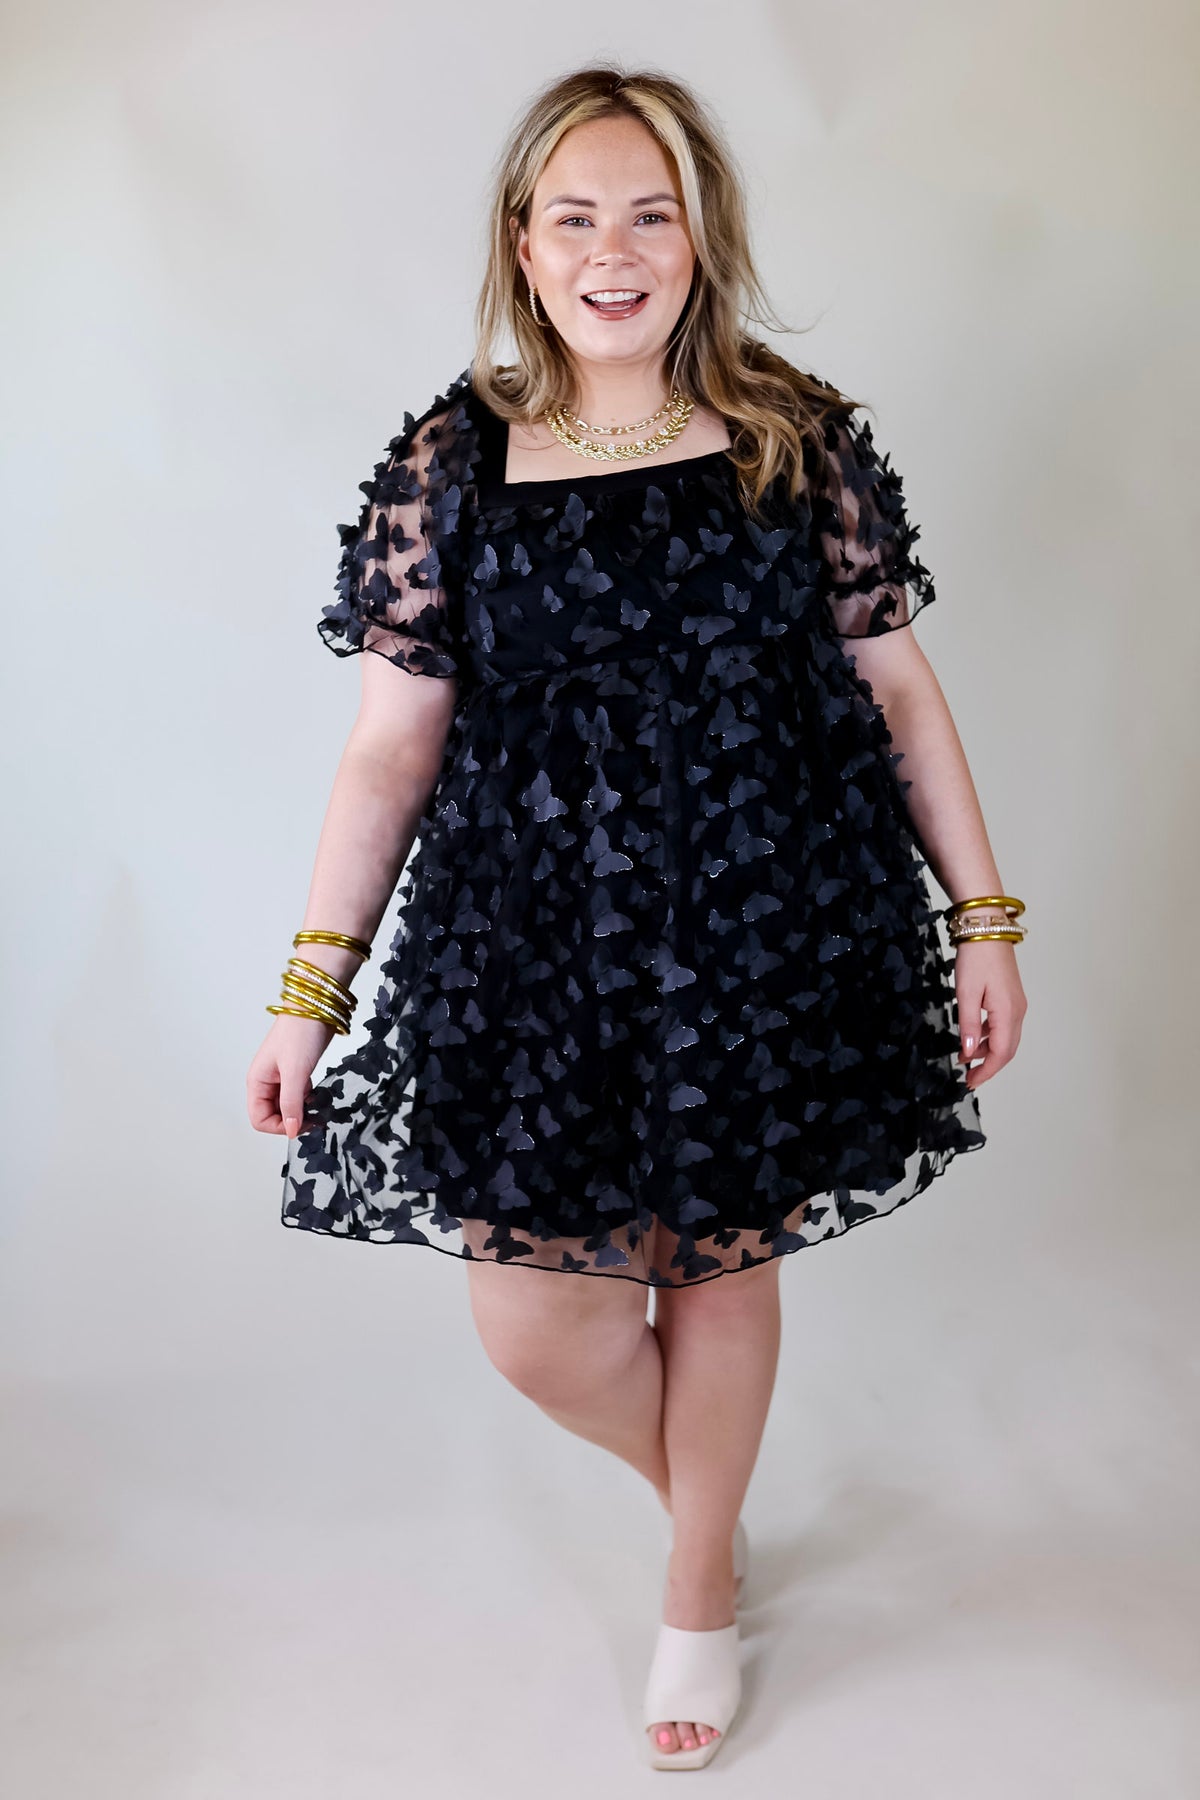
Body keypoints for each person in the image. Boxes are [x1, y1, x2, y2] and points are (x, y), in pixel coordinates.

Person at [246, 63, 1027, 1772]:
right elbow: (389, 749)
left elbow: (897, 687)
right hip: (528, 952)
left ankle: (696, 1593)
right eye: (578, 216)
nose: (616, 251)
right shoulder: (452, 459)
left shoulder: (792, 440)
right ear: (525, 245)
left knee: (721, 1270)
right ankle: (710, 1508)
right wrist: (312, 991)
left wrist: (985, 919)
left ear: (701, 236)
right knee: (539, 1320)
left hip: (765, 925)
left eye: (652, 214)